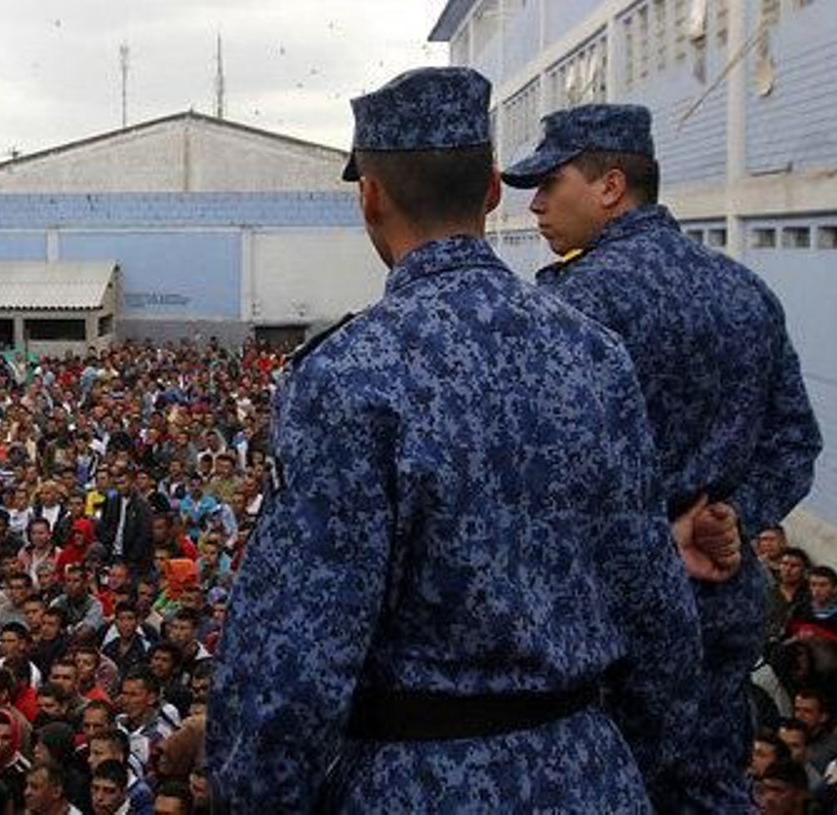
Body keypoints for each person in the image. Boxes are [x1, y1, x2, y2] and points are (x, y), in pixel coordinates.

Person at [207, 67, 701, 810]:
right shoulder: (595, 353)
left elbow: (297, 659)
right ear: (494, 187)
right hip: (587, 770)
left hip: (414, 783)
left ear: (369, 196)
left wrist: (253, 794)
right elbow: (657, 613)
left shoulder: (346, 375)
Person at [502, 102, 824, 809]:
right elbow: (797, 439)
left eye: (550, 184)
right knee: (710, 789)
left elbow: (538, 471)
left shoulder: (572, 304)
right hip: (720, 604)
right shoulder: (745, 292)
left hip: (609, 614)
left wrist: (656, 535)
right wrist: (731, 518)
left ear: (610, 185)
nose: (535, 205)